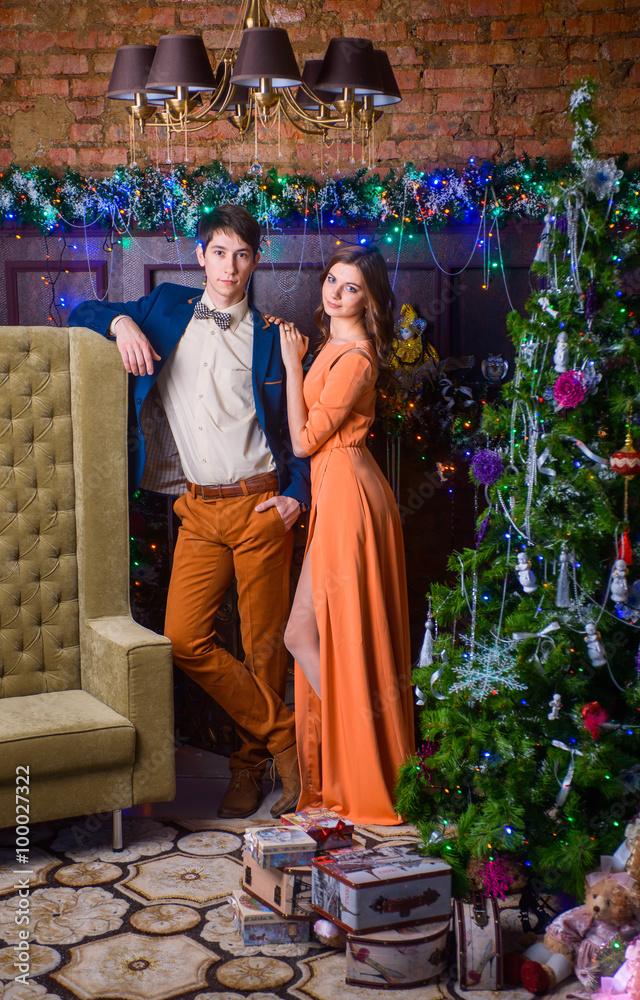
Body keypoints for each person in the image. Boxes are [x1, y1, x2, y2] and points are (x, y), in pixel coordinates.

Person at [68, 204, 310, 820]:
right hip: (198, 508)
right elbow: (81, 314)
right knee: (183, 637)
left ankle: (250, 770)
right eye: (220, 252)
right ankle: (286, 738)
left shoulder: (269, 334)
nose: (230, 266)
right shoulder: (168, 306)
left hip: (259, 505)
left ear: (256, 262)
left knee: (262, 651)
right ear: (201, 255)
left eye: (243, 254)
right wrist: (122, 321)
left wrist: (298, 495)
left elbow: (297, 431)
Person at [276, 245, 415, 825]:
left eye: (351, 287)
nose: (335, 292)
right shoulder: (332, 346)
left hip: (351, 498)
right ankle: (354, 748)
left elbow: (305, 442)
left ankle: (363, 759)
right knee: (301, 634)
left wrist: (289, 367)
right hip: (336, 493)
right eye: (332, 279)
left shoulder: (356, 358)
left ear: (370, 299)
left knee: (331, 631)